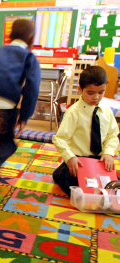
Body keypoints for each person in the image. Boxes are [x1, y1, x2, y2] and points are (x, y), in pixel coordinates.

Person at [0, 19, 41, 191]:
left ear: (10, 35)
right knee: (7, 142)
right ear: (31, 38)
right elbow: (31, 88)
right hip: (4, 104)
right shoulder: (29, 57)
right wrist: (24, 116)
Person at [52, 66, 119, 196]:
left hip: (100, 161)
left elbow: (112, 134)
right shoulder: (73, 112)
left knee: (113, 187)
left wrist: (109, 153)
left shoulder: (106, 111)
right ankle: (61, 172)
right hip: (79, 162)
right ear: (80, 89)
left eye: (101, 92)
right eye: (91, 93)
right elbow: (60, 139)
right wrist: (70, 157)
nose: (96, 97)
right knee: (79, 190)